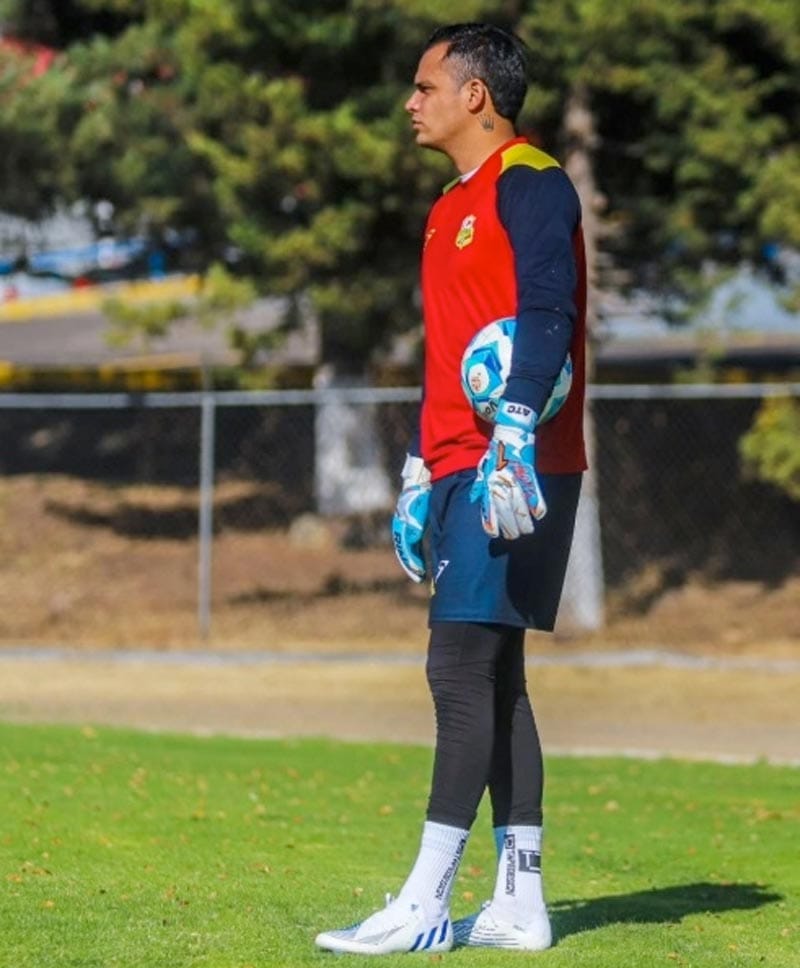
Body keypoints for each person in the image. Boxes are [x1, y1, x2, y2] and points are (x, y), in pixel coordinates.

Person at [315, 22, 587, 956]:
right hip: (464, 464)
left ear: (477, 94)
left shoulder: (534, 181)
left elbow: (549, 310)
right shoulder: (446, 208)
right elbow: (447, 353)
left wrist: (514, 427)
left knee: (456, 667)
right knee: (498, 677)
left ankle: (425, 899)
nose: (410, 101)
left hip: (518, 462)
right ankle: (519, 903)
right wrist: (420, 469)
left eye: (426, 85)